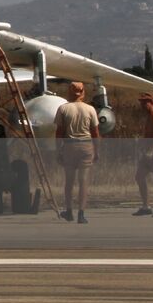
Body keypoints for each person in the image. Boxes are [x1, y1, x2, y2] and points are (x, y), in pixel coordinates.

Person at [54, 81, 100, 224]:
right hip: (86, 146)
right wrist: (96, 150)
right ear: (83, 93)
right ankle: (81, 213)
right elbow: (95, 133)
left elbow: (59, 132)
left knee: (69, 181)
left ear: (70, 92)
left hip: (70, 146)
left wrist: (58, 150)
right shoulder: (90, 109)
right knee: (83, 181)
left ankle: (69, 211)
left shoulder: (63, 108)